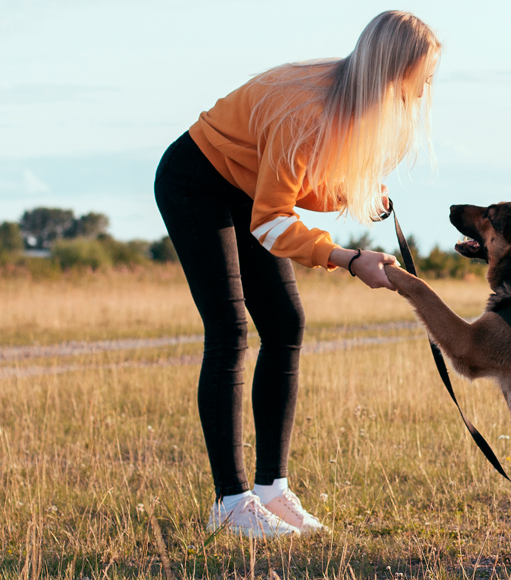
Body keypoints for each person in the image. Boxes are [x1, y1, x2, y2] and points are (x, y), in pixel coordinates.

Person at [154, 11, 440, 538]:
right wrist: (348, 259)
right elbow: (271, 220)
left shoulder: (351, 105)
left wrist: (353, 192)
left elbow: (297, 182)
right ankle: (231, 504)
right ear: (392, 68)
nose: (422, 93)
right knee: (230, 331)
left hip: (244, 188)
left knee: (285, 324)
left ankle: (271, 490)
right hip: (196, 181)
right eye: (419, 79)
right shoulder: (307, 108)